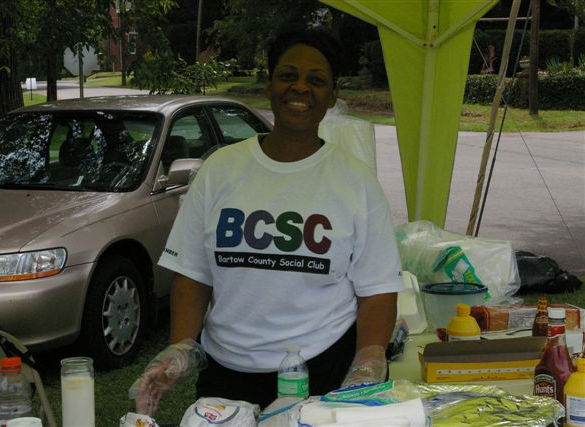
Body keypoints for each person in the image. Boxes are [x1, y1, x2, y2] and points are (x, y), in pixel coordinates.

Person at [131, 28, 404, 414]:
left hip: (322, 368)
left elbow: (377, 289)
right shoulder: (220, 169)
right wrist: (181, 347)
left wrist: (368, 361)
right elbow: (192, 274)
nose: (301, 87)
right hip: (227, 372)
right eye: (288, 75)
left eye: (317, 80)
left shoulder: (356, 181)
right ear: (270, 85)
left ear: (332, 94)